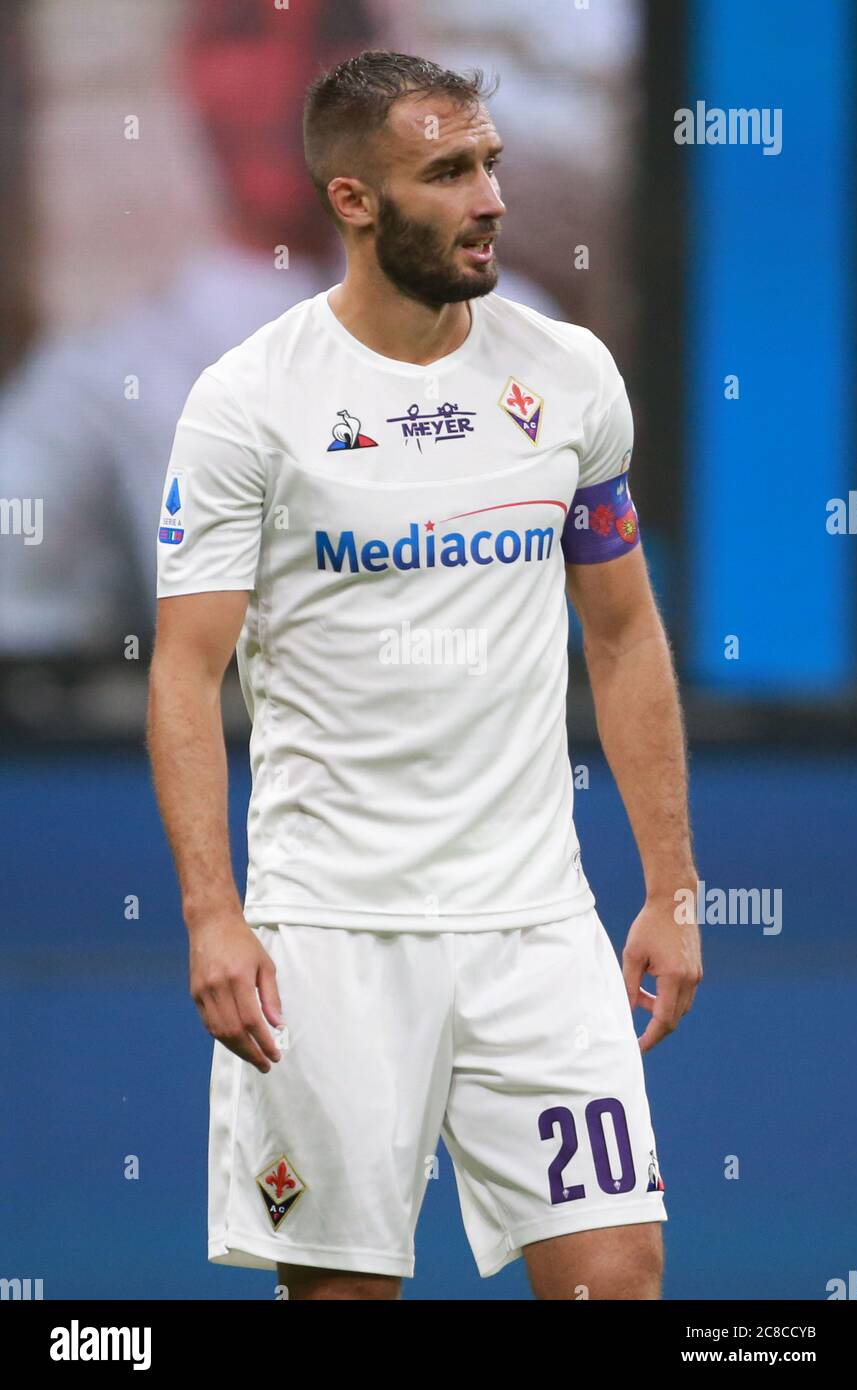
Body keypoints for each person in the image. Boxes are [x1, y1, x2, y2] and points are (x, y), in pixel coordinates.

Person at [147, 49, 702, 1302]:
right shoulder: (248, 404)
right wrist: (211, 915)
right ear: (353, 201)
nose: (489, 199)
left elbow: (619, 634)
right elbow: (186, 674)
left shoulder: (567, 377)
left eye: (490, 164)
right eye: (446, 173)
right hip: (330, 933)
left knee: (619, 1275)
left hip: (535, 926)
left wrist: (672, 885)